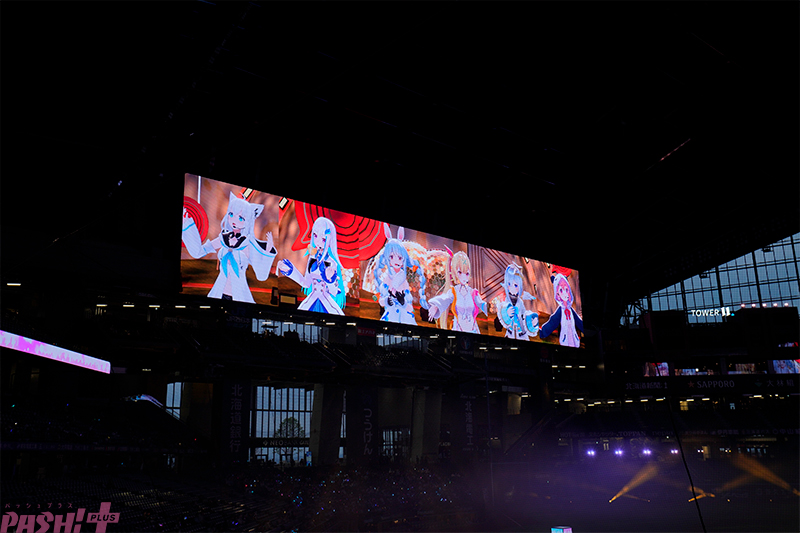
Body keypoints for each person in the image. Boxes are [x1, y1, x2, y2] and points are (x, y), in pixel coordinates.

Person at [182, 192, 276, 303]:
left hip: (240, 297)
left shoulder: (248, 244)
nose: (234, 220)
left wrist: (268, 250)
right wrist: (187, 225)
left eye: (240, 218)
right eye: (231, 214)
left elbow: (261, 275)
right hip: (219, 293)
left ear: (248, 221)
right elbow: (198, 252)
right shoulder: (223, 238)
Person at [277, 216, 345, 314]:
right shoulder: (312, 258)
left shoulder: (331, 263)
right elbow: (306, 283)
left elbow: (334, 292)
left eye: (323, 239)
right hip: (311, 301)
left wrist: (330, 280)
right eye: (315, 235)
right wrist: (291, 271)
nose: (318, 242)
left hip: (326, 304)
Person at [427, 250, 487, 333]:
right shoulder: (454, 291)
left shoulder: (473, 292)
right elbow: (445, 299)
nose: (464, 277)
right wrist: (436, 306)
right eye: (460, 272)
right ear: (454, 272)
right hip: (458, 330)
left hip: (473, 331)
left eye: (467, 273)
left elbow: (482, 304)